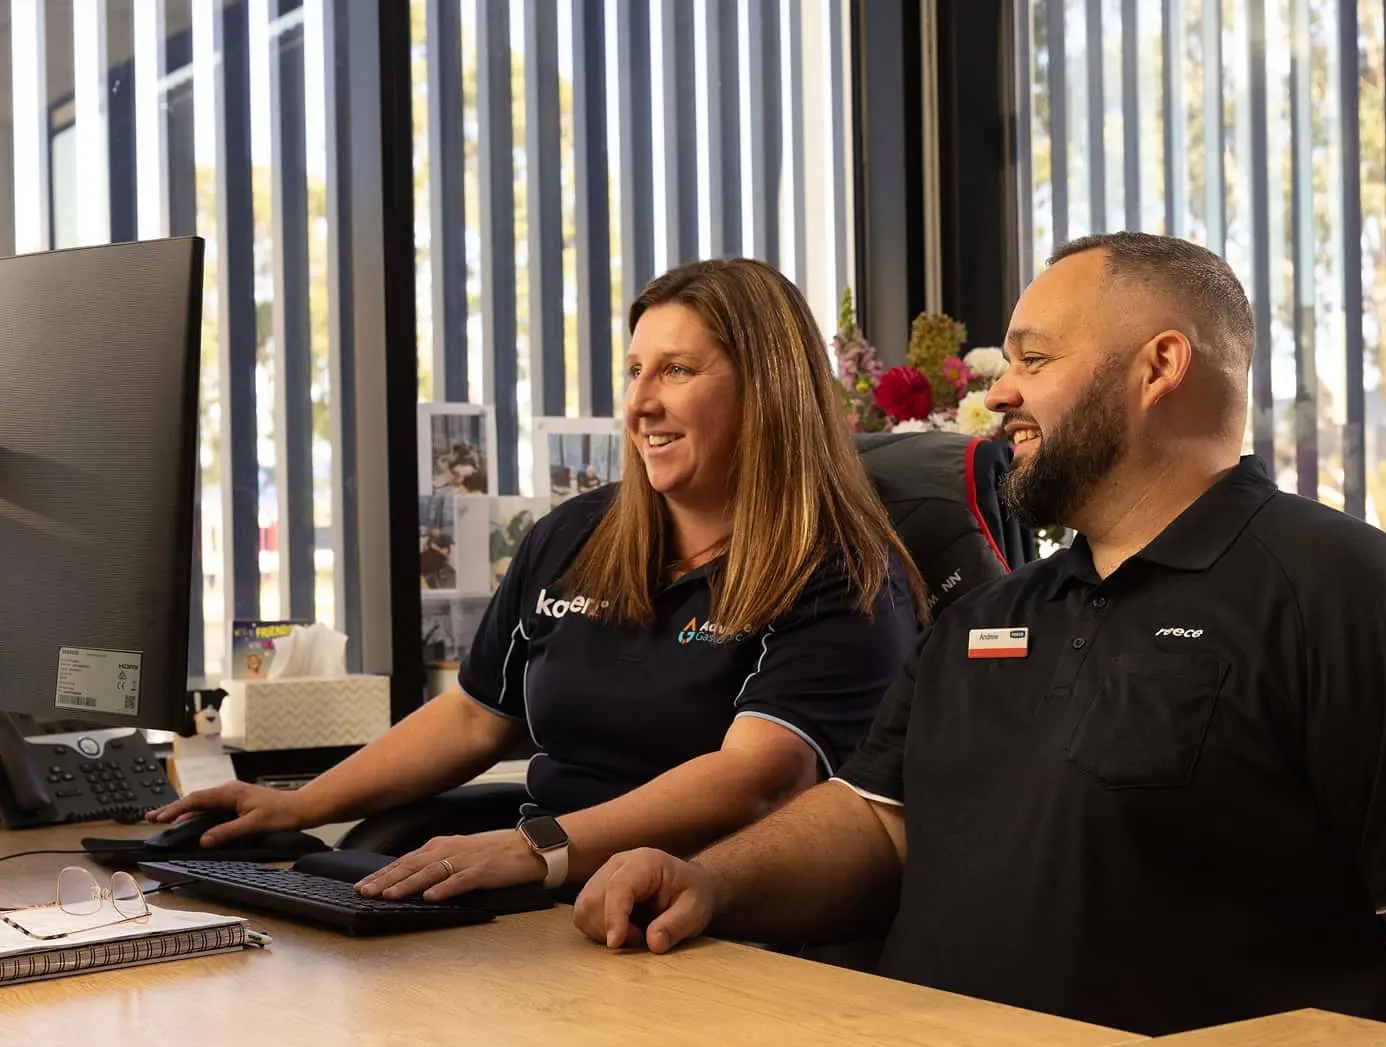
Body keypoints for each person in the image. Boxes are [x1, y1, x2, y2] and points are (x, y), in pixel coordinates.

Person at [574, 232, 1386, 1037]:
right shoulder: (990, 616)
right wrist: (707, 880)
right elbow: (878, 820)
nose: (1001, 393)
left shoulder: (1342, 594)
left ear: (1160, 367)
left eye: (1033, 361)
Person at [149, 257, 926, 903]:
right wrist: (299, 803)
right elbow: (476, 717)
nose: (641, 402)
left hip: (702, 906)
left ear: (767, 391)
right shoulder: (575, 536)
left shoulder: (843, 573)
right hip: (550, 885)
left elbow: (756, 778)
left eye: (677, 370)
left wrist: (538, 849)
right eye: (633, 371)